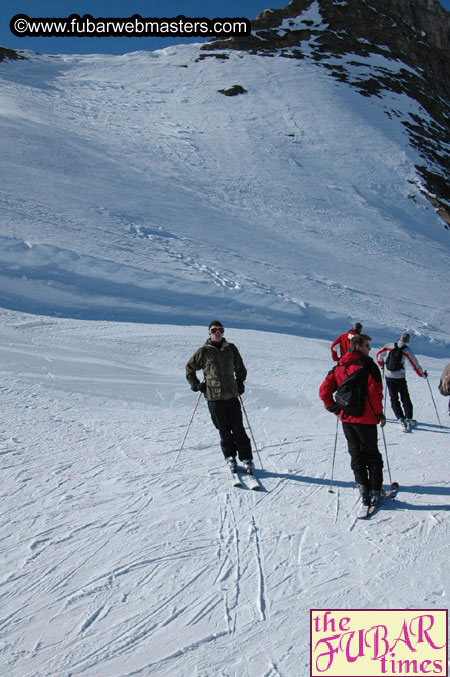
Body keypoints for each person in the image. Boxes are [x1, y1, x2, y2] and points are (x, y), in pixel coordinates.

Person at [319, 333, 386, 507]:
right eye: (367, 346)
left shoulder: (339, 365)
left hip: (347, 418)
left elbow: (324, 391)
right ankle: (376, 490)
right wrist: (379, 414)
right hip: (366, 418)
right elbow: (375, 393)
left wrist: (334, 408)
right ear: (358, 346)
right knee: (372, 454)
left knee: (355, 453)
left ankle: (363, 489)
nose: (370, 349)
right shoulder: (369, 365)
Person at [185, 321, 253, 475]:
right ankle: (230, 456)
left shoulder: (231, 349)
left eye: (220, 330)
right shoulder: (203, 351)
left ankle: (246, 458)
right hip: (214, 398)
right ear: (209, 333)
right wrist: (196, 385)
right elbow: (189, 368)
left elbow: (240, 367)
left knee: (238, 428)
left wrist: (240, 382)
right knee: (223, 429)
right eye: (214, 330)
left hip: (231, 395)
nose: (218, 333)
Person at [376, 332, 427, 431]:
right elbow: (415, 364)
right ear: (408, 340)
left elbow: (379, 354)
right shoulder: (407, 350)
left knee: (394, 397)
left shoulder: (389, 346)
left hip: (388, 375)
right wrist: (423, 375)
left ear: (400, 338)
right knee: (405, 396)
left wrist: (382, 366)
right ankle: (408, 418)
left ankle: (400, 418)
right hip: (400, 377)